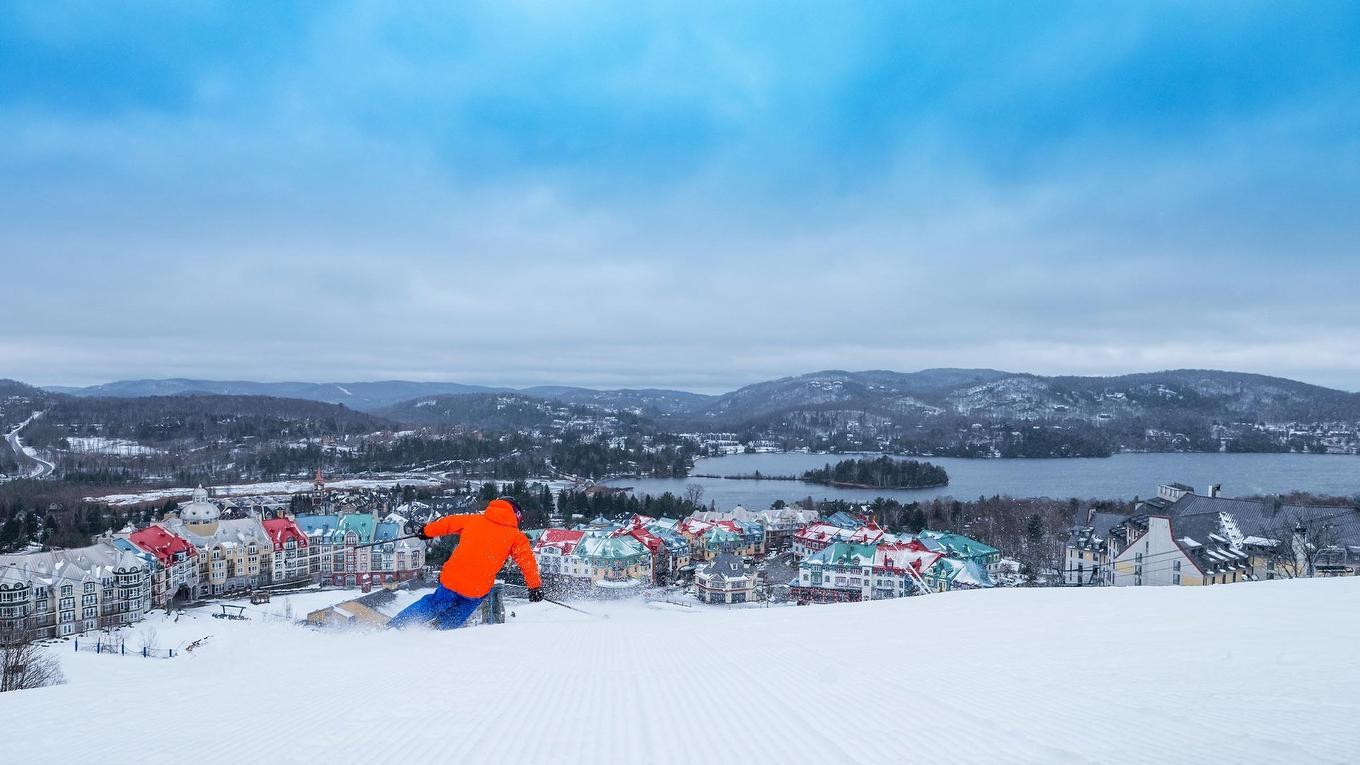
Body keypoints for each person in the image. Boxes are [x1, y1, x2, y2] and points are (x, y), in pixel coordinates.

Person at [388, 497, 543, 630]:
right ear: (516, 516)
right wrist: (534, 587)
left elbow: (447, 523)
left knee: (434, 604)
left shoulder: (473, 520)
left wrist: (426, 531)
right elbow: (527, 563)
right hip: (477, 588)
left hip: (453, 579)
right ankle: (437, 632)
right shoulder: (516, 537)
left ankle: (396, 627)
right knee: (459, 612)